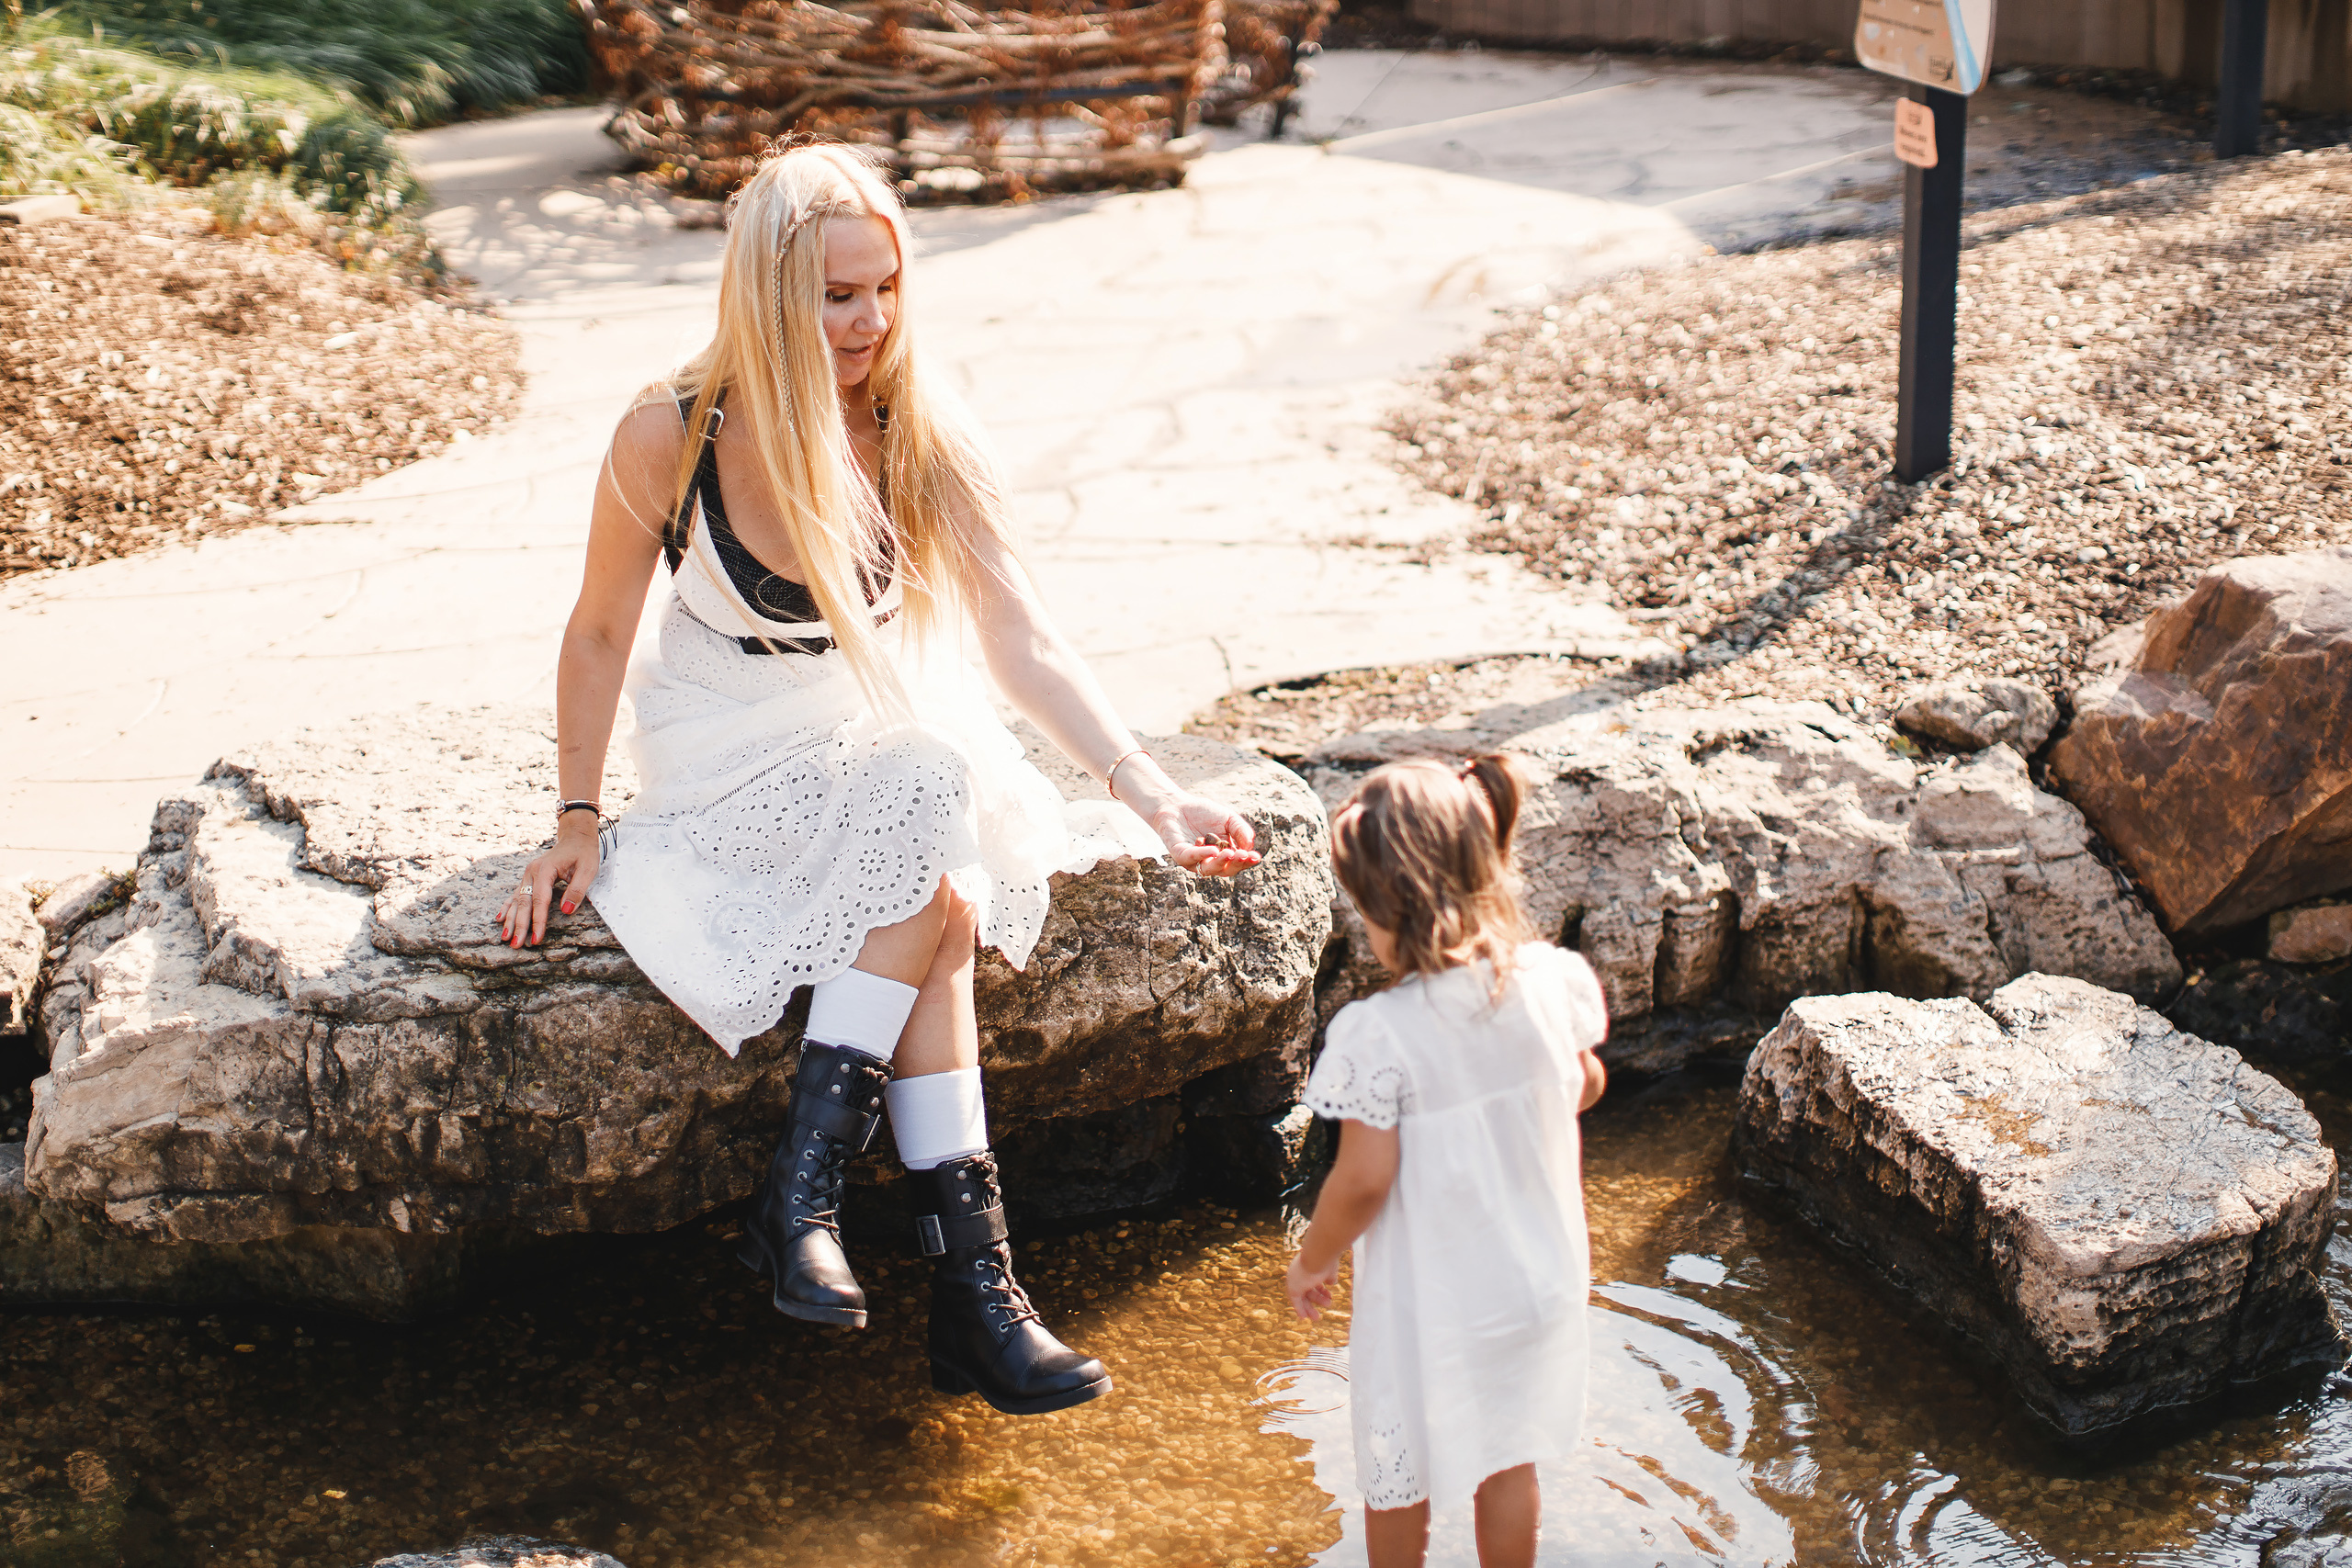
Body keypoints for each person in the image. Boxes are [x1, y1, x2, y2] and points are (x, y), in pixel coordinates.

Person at [497, 141, 1260, 1417]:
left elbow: (1018, 633)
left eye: (886, 288)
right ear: (764, 293)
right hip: (726, 741)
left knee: (933, 841)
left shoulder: (917, 429)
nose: (870, 321)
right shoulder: (670, 431)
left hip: (878, 726)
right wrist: (576, 817)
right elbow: (598, 629)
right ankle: (963, 1290)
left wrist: (1148, 788)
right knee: (932, 834)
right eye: (836, 295)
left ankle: (836, 1219)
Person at [1284, 754, 1609, 1568]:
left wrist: (1314, 1256)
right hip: (1537, 1283)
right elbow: (1586, 1083)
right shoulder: (1547, 981)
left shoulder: (1380, 1033)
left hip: (1432, 1301)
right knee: (1509, 1460)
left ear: (1389, 912)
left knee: (1396, 1462)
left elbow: (1364, 1179)